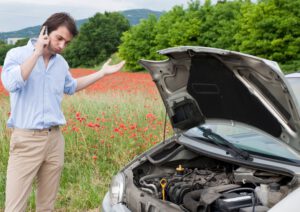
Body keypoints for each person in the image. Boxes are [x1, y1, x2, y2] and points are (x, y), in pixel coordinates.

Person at [1, 12, 125, 212]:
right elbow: (11, 83)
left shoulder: (61, 64)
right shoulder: (17, 55)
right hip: (26, 139)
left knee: (47, 206)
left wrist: (102, 73)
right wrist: (36, 53)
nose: (61, 46)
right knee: (14, 207)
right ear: (45, 31)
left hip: (54, 140)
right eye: (59, 38)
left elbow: (72, 86)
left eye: (66, 43)